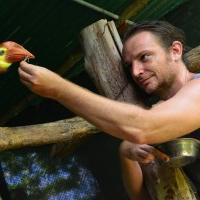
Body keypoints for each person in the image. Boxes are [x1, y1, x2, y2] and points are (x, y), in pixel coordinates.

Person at [18, 20, 200, 199]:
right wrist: (126, 154)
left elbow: (143, 126)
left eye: (144, 57)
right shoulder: (162, 116)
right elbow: (142, 196)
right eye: (129, 66)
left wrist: (58, 88)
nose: (136, 72)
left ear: (175, 50)